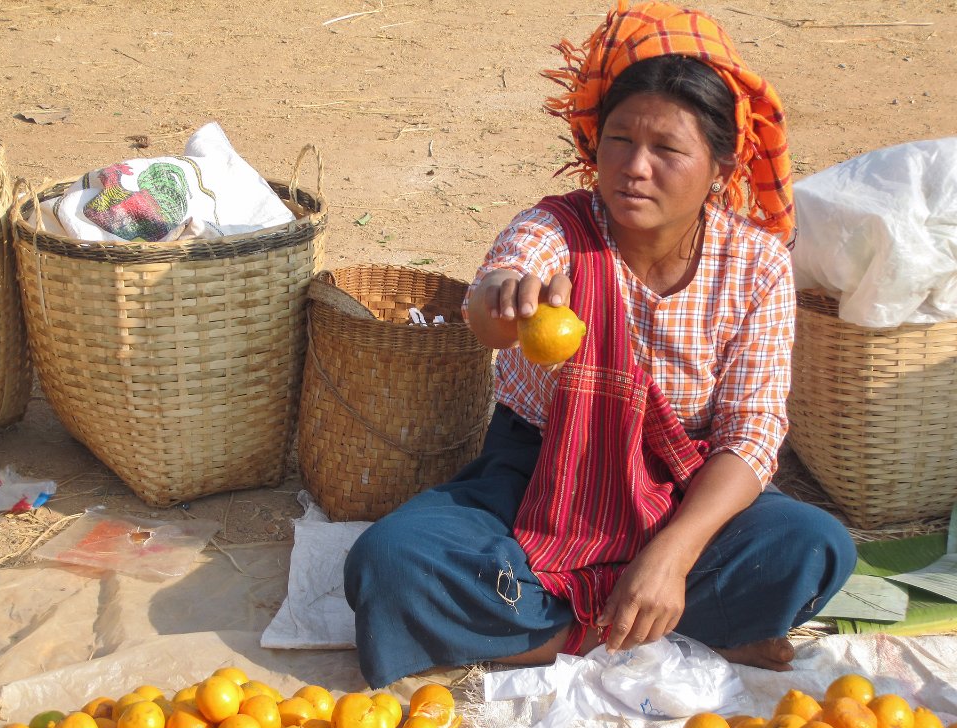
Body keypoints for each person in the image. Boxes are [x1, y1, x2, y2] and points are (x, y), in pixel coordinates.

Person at [344, 1, 857, 689]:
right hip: (538, 478)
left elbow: (753, 433)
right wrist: (501, 297)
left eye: (667, 150)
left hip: (680, 482)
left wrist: (673, 555)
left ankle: (546, 625)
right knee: (392, 561)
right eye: (619, 140)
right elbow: (493, 299)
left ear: (720, 166)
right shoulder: (558, 230)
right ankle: (651, 627)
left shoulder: (756, 265)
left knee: (812, 547)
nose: (634, 168)